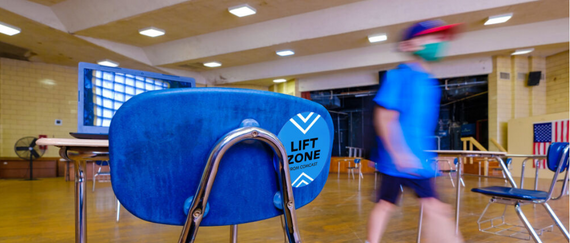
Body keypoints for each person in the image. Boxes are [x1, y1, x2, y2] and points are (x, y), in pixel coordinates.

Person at [366, 20, 464, 243]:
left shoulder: (430, 84)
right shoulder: (398, 76)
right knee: (387, 206)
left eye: (441, 39)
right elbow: (384, 118)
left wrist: (431, 158)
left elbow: (421, 128)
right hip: (396, 160)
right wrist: (399, 153)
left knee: (434, 209)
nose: (438, 43)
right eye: (432, 38)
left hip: (419, 161)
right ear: (410, 45)